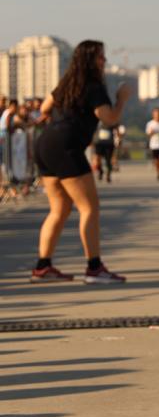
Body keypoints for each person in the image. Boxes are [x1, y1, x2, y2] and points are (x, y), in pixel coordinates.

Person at [30, 40, 131, 283]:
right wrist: (122, 99)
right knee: (89, 207)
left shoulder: (66, 84)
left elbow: (44, 107)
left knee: (60, 209)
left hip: (46, 144)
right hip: (67, 146)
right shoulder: (94, 86)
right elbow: (109, 119)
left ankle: (43, 266)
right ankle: (94, 268)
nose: (104, 61)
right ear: (89, 60)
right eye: (100, 57)